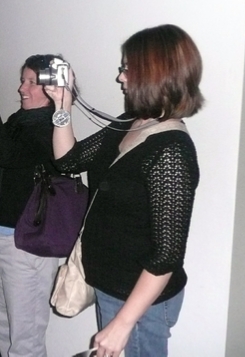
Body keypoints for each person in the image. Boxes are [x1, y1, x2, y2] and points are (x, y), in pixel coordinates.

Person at [45, 24, 203, 357]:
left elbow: (167, 256)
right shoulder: (130, 122)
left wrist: (123, 323)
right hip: (111, 284)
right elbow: (69, 161)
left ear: (155, 73)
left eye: (127, 68)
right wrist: (63, 106)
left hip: (140, 301)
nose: (121, 78)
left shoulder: (171, 150)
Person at [0, 55, 60, 357]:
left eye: (32, 82)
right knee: (3, 329)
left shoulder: (51, 130)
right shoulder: (17, 124)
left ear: (52, 90)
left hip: (26, 245)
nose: (21, 88)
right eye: (22, 80)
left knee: (25, 339)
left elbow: (6, 155)